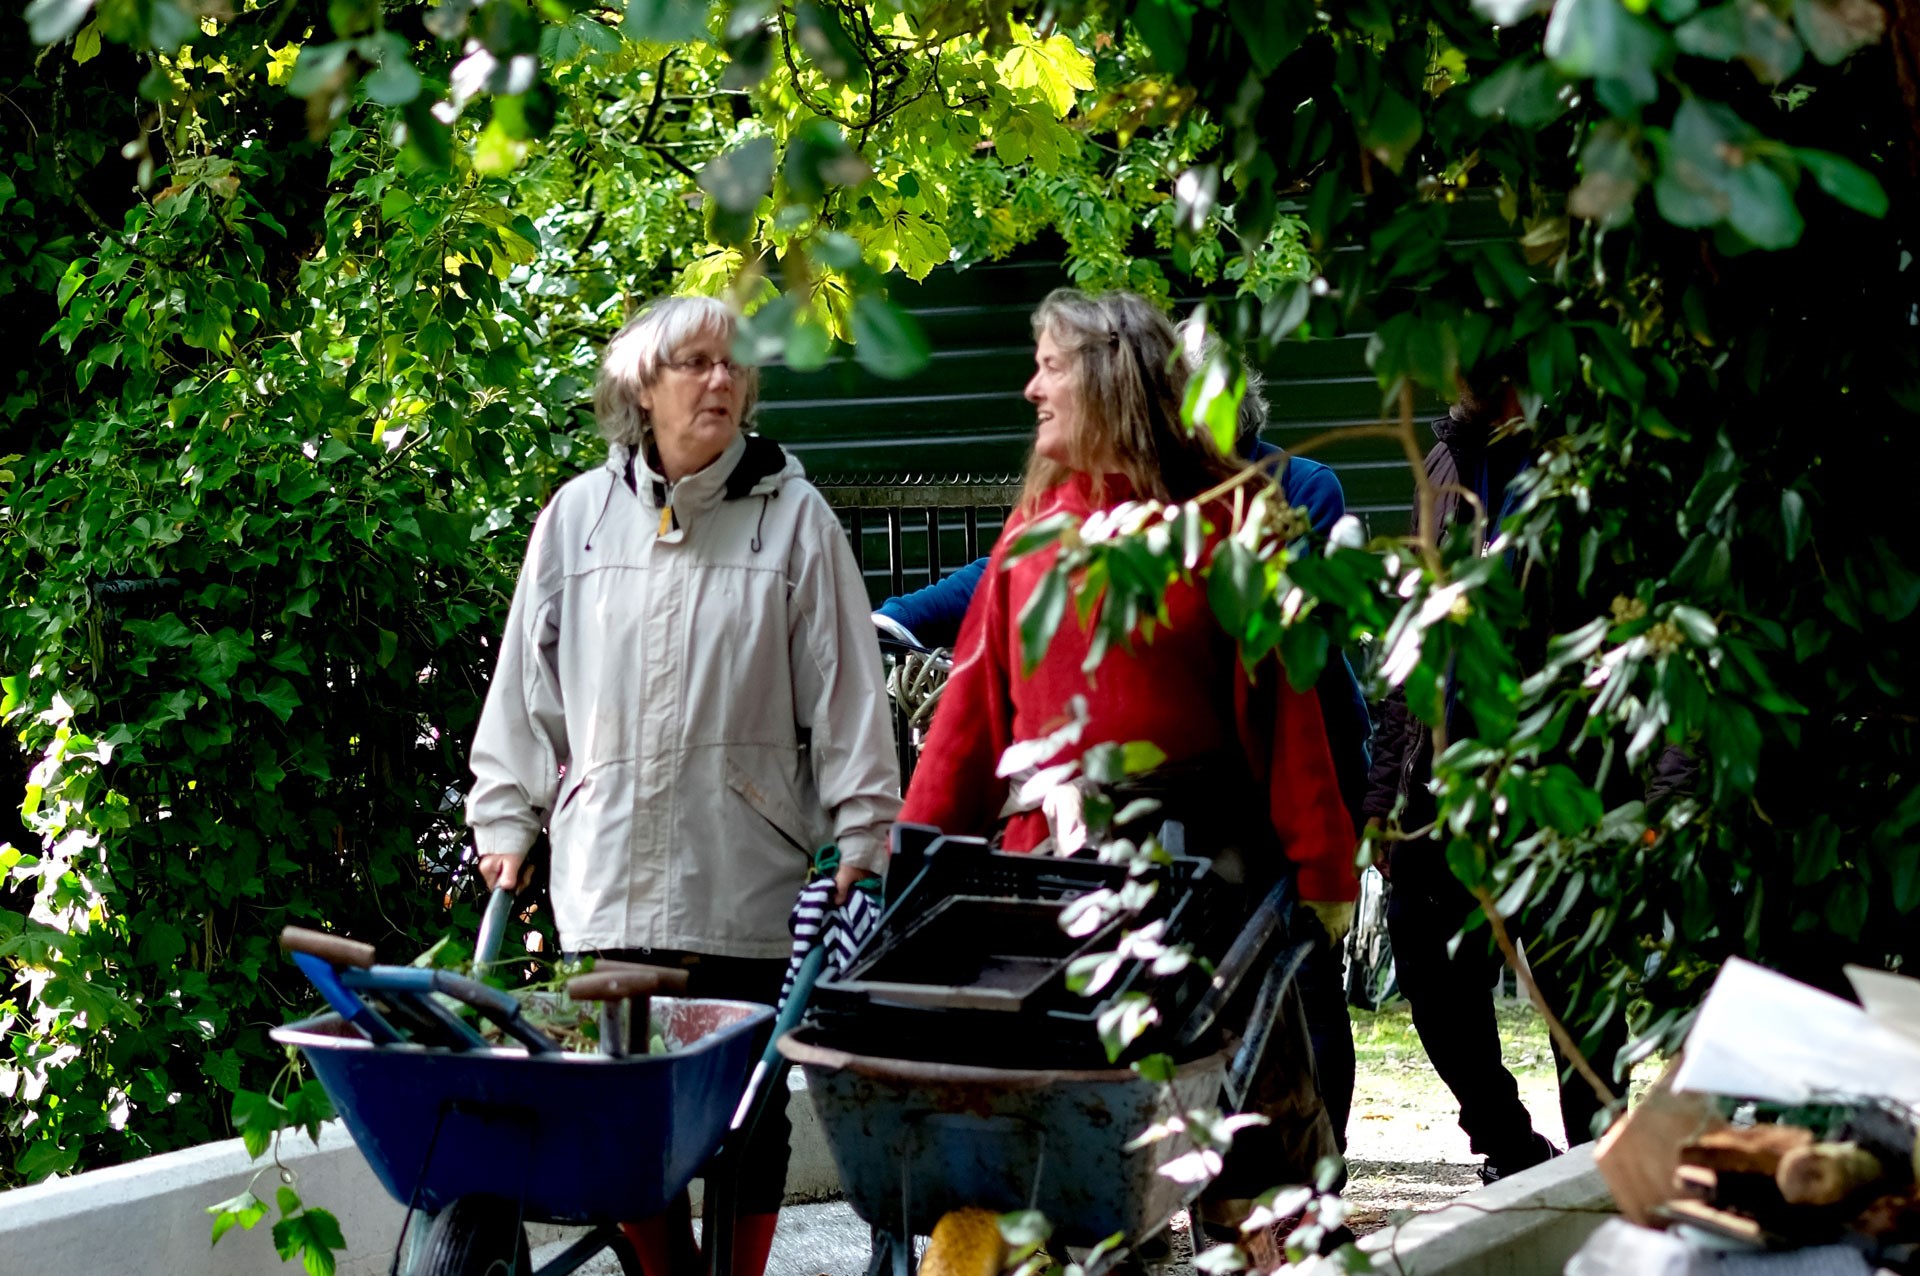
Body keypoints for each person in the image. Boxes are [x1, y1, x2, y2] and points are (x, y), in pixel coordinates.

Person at [465, 295, 902, 1276]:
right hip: (608, 878)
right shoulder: (576, 519)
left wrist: (863, 833)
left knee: (748, 1120)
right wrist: (508, 812)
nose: (721, 380)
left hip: (744, 877)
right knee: (619, 1124)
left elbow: (847, 698)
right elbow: (524, 693)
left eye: (734, 365)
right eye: (696, 362)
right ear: (641, 386)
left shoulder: (794, 523)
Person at [897, 287, 1359, 1212]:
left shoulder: (1230, 526)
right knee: (1077, 1187)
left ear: (1111, 379)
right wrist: (909, 865)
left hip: (1211, 908)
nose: (1031, 390)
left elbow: (1290, 721)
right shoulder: (1030, 542)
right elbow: (969, 729)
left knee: (1256, 1173)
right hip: (1051, 910)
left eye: (1050, 366)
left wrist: (1324, 872)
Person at [1362, 377, 1625, 1183]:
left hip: (1564, 773)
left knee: (1574, 984)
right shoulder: (1444, 460)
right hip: (1442, 775)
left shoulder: (1588, 461)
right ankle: (1507, 1147)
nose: (1446, 379)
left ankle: (1596, 1167)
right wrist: (1381, 797)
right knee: (1420, 942)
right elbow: (1415, 640)